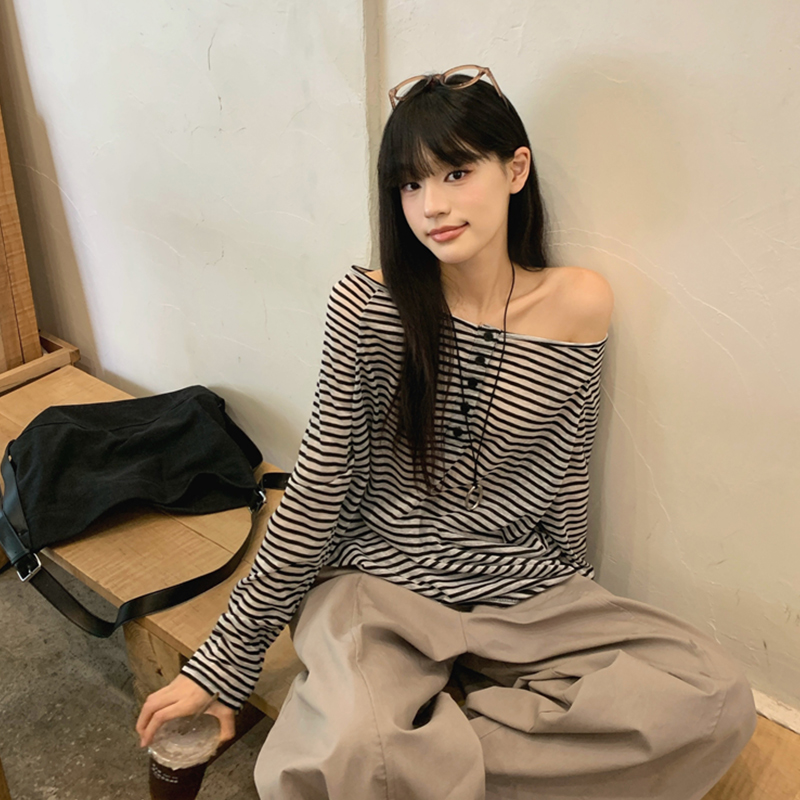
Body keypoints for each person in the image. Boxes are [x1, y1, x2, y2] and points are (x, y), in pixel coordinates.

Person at [136, 65, 757, 799]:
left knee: (713, 700)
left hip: (516, 583)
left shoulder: (579, 304)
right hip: (377, 580)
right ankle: (402, 751)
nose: (431, 205)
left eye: (457, 173)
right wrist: (224, 663)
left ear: (515, 170)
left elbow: (567, 471)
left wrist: (572, 606)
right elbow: (317, 491)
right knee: (354, 750)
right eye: (409, 185)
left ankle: (419, 756)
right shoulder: (370, 307)